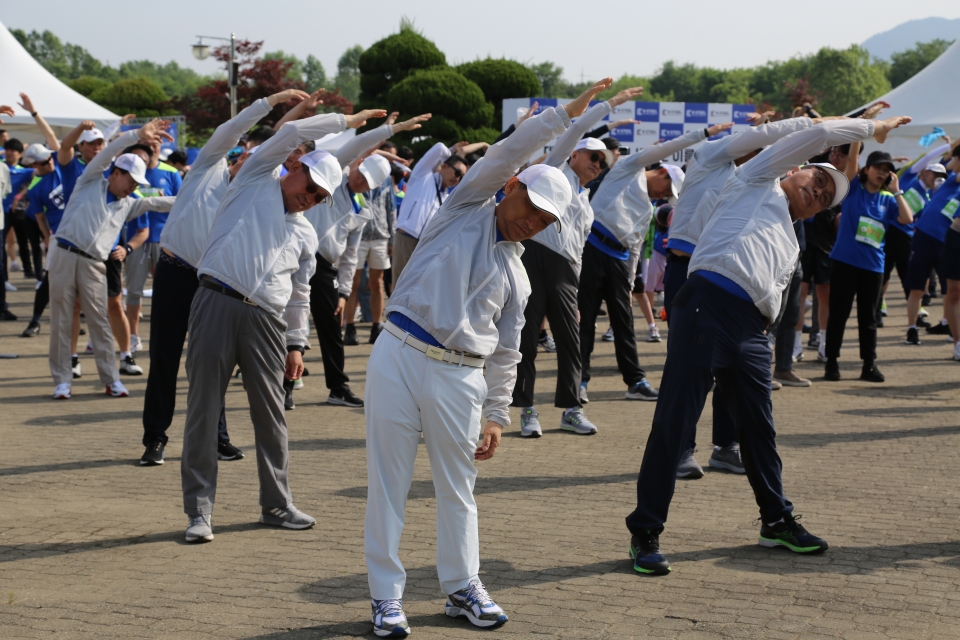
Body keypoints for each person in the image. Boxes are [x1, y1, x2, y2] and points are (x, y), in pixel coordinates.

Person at [363, 79, 609, 638]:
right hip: (398, 353)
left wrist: (497, 414)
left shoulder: (518, 277)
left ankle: (461, 586)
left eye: (546, 221)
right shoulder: (466, 206)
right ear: (512, 187)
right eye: (533, 207)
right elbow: (508, 150)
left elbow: (508, 351)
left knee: (458, 488)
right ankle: (385, 596)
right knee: (389, 484)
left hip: (460, 375)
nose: (533, 222)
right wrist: (563, 116)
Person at [625, 115, 910, 577]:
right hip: (706, 305)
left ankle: (776, 520)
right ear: (794, 169)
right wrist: (870, 127)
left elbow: (774, 294)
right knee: (675, 422)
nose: (817, 191)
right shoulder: (756, 180)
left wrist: (763, 334)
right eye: (817, 179)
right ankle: (645, 531)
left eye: (825, 197)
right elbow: (819, 135)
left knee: (759, 430)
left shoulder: (793, 242)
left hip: (751, 331)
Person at [180, 106, 382, 543]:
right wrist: (344, 123)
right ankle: (199, 511)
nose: (310, 198)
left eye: (320, 197)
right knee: (203, 410)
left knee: (271, 416)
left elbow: (300, 293)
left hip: (268, 323)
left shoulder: (307, 233)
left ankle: (276, 504)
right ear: (295, 167)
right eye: (310, 187)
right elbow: (289, 131)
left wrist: (296, 344)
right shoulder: (255, 180)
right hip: (217, 300)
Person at [138, 90, 310, 467]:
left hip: (210, 285)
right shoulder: (207, 168)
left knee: (211, 364)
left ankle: (217, 438)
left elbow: (284, 141)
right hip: (174, 272)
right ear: (235, 156)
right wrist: (273, 100)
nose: (247, 159)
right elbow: (236, 128)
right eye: (243, 154)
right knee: (164, 358)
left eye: (254, 157)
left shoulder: (253, 195)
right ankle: (155, 438)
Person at [512, 84, 643, 438]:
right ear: (574, 155)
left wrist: (577, 292)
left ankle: (571, 410)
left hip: (567, 273)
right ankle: (526, 411)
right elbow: (576, 128)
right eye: (594, 158)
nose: (598, 166)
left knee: (572, 342)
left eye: (603, 163)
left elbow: (580, 251)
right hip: (534, 260)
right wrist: (611, 104)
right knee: (526, 340)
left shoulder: (587, 205)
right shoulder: (554, 170)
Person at [579, 122, 730, 403]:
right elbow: (669, 147)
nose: (664, 196)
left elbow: (635, 246)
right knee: (585, 320)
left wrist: (629, 279)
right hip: (592, 249)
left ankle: (635, 381)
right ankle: (579, 381)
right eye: (667, 188)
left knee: (624, 323)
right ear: (661, 172)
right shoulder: (630, 167)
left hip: (618, 260)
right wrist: (704, 134)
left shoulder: (649, 208)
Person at [302, 112, 431, 409]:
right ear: (357, 166)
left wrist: (344, 291)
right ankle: (283, 383)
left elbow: (350, 256)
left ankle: (338, 387)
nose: (360, 182)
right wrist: (390, 130)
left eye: (367, 182)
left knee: (331, 326)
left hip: (325, 266)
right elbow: (356, 146)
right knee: (283, 322)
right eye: (360, 175)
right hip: (297, 255)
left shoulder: (361, 209)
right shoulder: (335, 177)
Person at [47, 119, 175, 400]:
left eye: (137, 183)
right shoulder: (89, 180)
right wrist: (137, 135)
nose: (133, 187)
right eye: (131, 180)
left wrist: (204, 198)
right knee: (61, 320)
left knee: (100, 322)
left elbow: (158, 203)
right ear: (116, 173)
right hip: (63, 256)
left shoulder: (129, 203)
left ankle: (111, 379)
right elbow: (106, 153)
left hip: (95, 264)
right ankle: (62, 381)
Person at [824, 148, 913, 382]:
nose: (881, 173)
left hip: (873, 267)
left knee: (868, 318)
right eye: (877, 168)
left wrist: (897, 191)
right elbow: (852, 160)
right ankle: (831, 362)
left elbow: (907, 219)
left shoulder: (888, 199)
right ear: (866, 169)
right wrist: (858, 135)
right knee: (839, 315)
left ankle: (869, 365)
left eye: (886, 171)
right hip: (844, 262)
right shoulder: (854, 188)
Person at [392, 140, 485, 283]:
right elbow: (439, 148)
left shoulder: (448, 196)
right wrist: (453, 149)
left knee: (415, 287)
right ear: (445, 165)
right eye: (457, 172)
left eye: (461, 177)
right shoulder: (422, 175)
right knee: (398, 284)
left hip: (426, 246)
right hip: (406, 238)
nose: (457, 178)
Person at [124, 136, 183, 353]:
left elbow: (183, 204)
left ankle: (163, 335)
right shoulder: (129, 171)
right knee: (134, 291)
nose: (151, 149)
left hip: (163, 240)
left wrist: (161, 202)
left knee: (165, 292)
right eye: (147, 145)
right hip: (136, 239)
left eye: (155, 145)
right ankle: (133, 336)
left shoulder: (171, 172)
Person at [343, 137, 402, 346]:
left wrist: (392, 238)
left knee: (377, 283)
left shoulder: (385, 179)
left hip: (380, 236)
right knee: (353, 282)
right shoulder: (358, 172)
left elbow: (391, 208)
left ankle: (377, 325)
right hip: (357, 235)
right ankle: (349, 327)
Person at [902, 147, 960, 349]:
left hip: (947, 243)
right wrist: (951, 147)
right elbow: (951, 159)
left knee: (950, 290)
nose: (938, 178)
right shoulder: (951, 183)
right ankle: (912, 328)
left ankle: (949, 326)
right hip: (924, 238)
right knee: (917, 287)